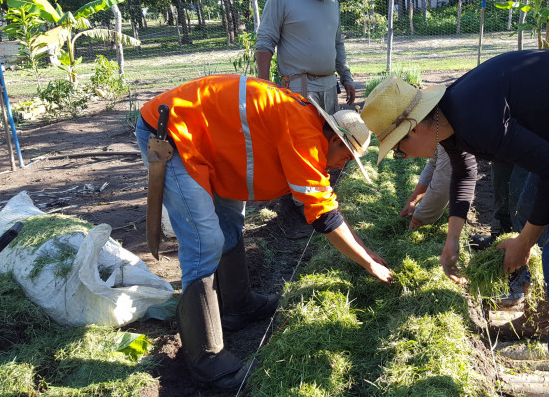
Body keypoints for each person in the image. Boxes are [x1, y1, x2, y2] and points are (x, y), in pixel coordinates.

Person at [361, 50, 549, 397]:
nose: (401, 157)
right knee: (529, 206)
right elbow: (464, 171)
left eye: (397, 148)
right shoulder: (447, 119)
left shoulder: (475, 118)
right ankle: (544, 314)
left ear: (416, 127)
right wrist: (452, 239)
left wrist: (525, 242)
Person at [136, 75, 392, 391]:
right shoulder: (304, 135)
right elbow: (323, 214)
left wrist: (364, 252)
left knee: (231, 222)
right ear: (337, 139)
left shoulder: (305, 125)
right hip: (172, 134)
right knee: (205, 242)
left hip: (208, 140)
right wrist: (367, 261)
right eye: (346, 158)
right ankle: (206, 360)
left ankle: (237, 306)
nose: (340, 167)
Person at [255, 0, 355, 114]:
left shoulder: (333, 1)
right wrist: (263, 86)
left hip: (330, 88)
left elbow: (337, 43)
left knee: (329, 139)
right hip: (298, 90)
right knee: (300, 139)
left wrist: (347, 78)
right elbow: (265, 42)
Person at [400, 144, 450, 229]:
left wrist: (420, 218)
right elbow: (433, 166)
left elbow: (444, 181)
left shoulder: (449, 139)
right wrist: (412, 202)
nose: (405, 158)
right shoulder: (438, 137)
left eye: (399, 152)